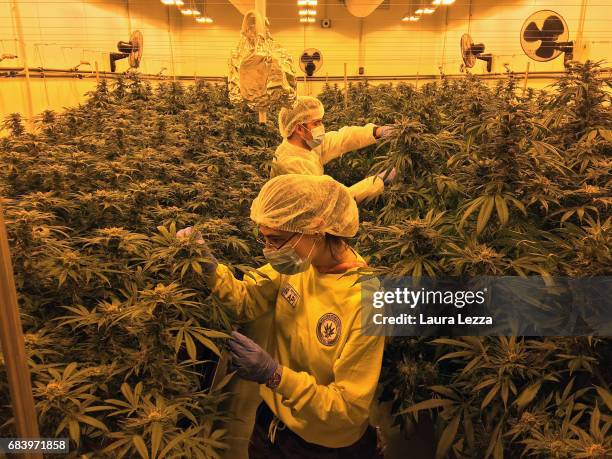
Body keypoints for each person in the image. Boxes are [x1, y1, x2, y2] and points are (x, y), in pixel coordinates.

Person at [177, 174, 384, 458]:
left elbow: (346, 409)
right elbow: (245, 301)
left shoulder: (365, 300)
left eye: (276, 240)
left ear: (317, 230)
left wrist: (275, 376)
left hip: (322, 445)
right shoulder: (297, 265)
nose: (269, 250)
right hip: (271, 421)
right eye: (264, 239)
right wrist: (211, 270)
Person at [272, 96, 397, 204]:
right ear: (299, 129)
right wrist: (378, 182)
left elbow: (342, 139)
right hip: (302, 228)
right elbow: (332, 203)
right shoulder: (291, 165)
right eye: (316, 123)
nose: (321, 127)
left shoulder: (305, 145)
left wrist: (377, 131)